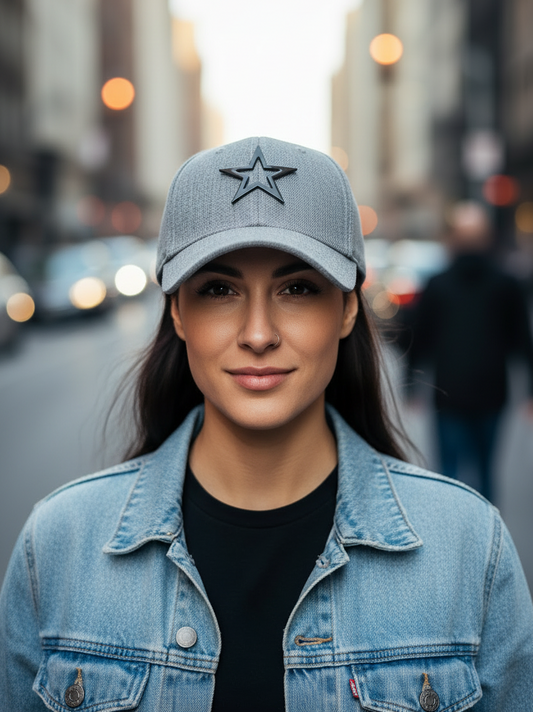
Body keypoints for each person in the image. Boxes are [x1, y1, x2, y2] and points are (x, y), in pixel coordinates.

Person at [1, 138, 532, 711]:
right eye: (219, 290)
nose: (258, 334)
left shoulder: (469, 547)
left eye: (298, 288)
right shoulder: (57, 547)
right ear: (177, 311)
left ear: (348, 308)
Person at [407, 201, 533, 503]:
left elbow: (419, 338)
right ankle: (488, 530)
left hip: (448, 392)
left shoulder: (437, 284)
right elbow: (521, 340)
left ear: (454, 239)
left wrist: (411, 386)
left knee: (449, 475)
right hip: (492, 392)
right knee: (486, 472)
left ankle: (453, 530)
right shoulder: (506, 284)